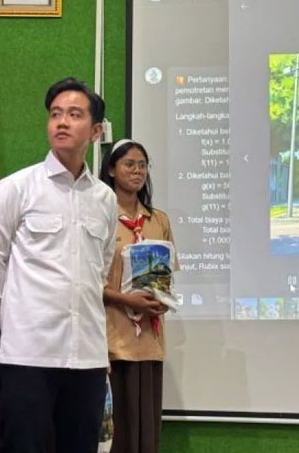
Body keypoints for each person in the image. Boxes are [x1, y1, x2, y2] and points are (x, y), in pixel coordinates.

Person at [0, 77, 117, 453]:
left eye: (75, 114)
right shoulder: (16, 188)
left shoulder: (104, 198)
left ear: (96, 130)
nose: (62, 122)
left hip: (86, 354)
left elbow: (99, 268)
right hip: (28, 353)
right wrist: (14, 321)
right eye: (56, 114)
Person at [99, 139, 174, 453]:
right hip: (110, 343)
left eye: (142, 165)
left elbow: (165, 278)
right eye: (129, 164)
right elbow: (85, 280)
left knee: (145, 436)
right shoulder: (98, 215)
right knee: (115, 437)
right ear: (112, 169)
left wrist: (162, 300)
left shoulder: (158, 220)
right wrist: (126, 300)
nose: (137, 171)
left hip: (149, 344)